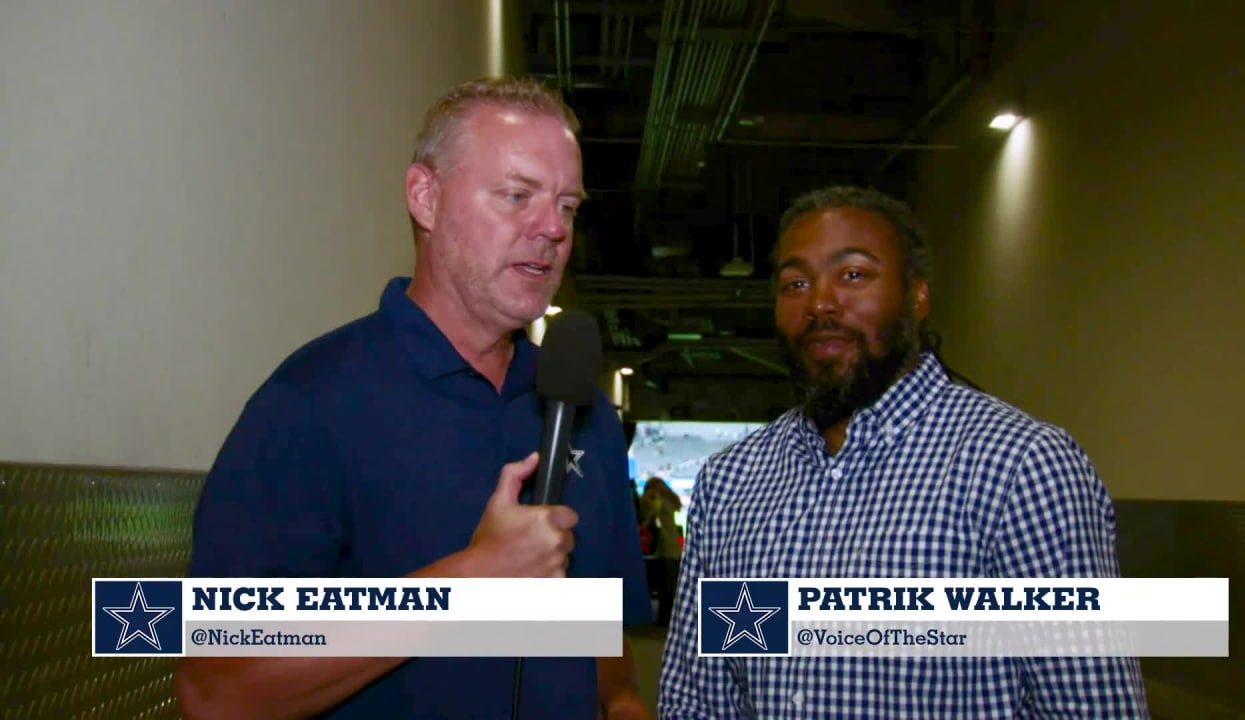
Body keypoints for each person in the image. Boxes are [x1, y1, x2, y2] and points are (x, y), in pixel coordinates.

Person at [175, 77, 652, 720]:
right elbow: (217, 692)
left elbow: (604, 648)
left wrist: (623, 705)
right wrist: (464, 584)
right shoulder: (310, 405)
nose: (551, 230)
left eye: (567, 206)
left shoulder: (583, 413)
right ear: (425, 198)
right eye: (518, 196)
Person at [657, 185, 1149, 717]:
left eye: (853, 275)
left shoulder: (1022, 469)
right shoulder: (733, 482)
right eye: (796, 282)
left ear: (917, 295)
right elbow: (701, 700)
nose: (819, 302)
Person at [639, 477, 683, 625]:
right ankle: (671, 616)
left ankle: (665, 618)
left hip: (664, 546)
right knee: (671, 583)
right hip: (672, 545)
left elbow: (652, 514)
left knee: (666, 584)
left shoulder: (658, 500)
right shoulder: (671, 500)